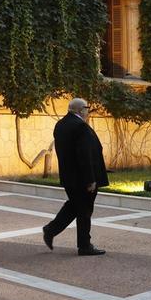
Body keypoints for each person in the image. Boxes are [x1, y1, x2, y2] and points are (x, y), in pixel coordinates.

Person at [42, 98, 107, 256]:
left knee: (74, 206)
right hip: (82, 178)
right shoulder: (80, 126)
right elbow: (84, 155)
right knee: (84, 210)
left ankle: (51, 230)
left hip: (69, 177)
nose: (88, 111)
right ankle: (84, 245)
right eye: (86, 108)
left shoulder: (61, 124)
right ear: (79, 110)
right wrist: (90, 179)